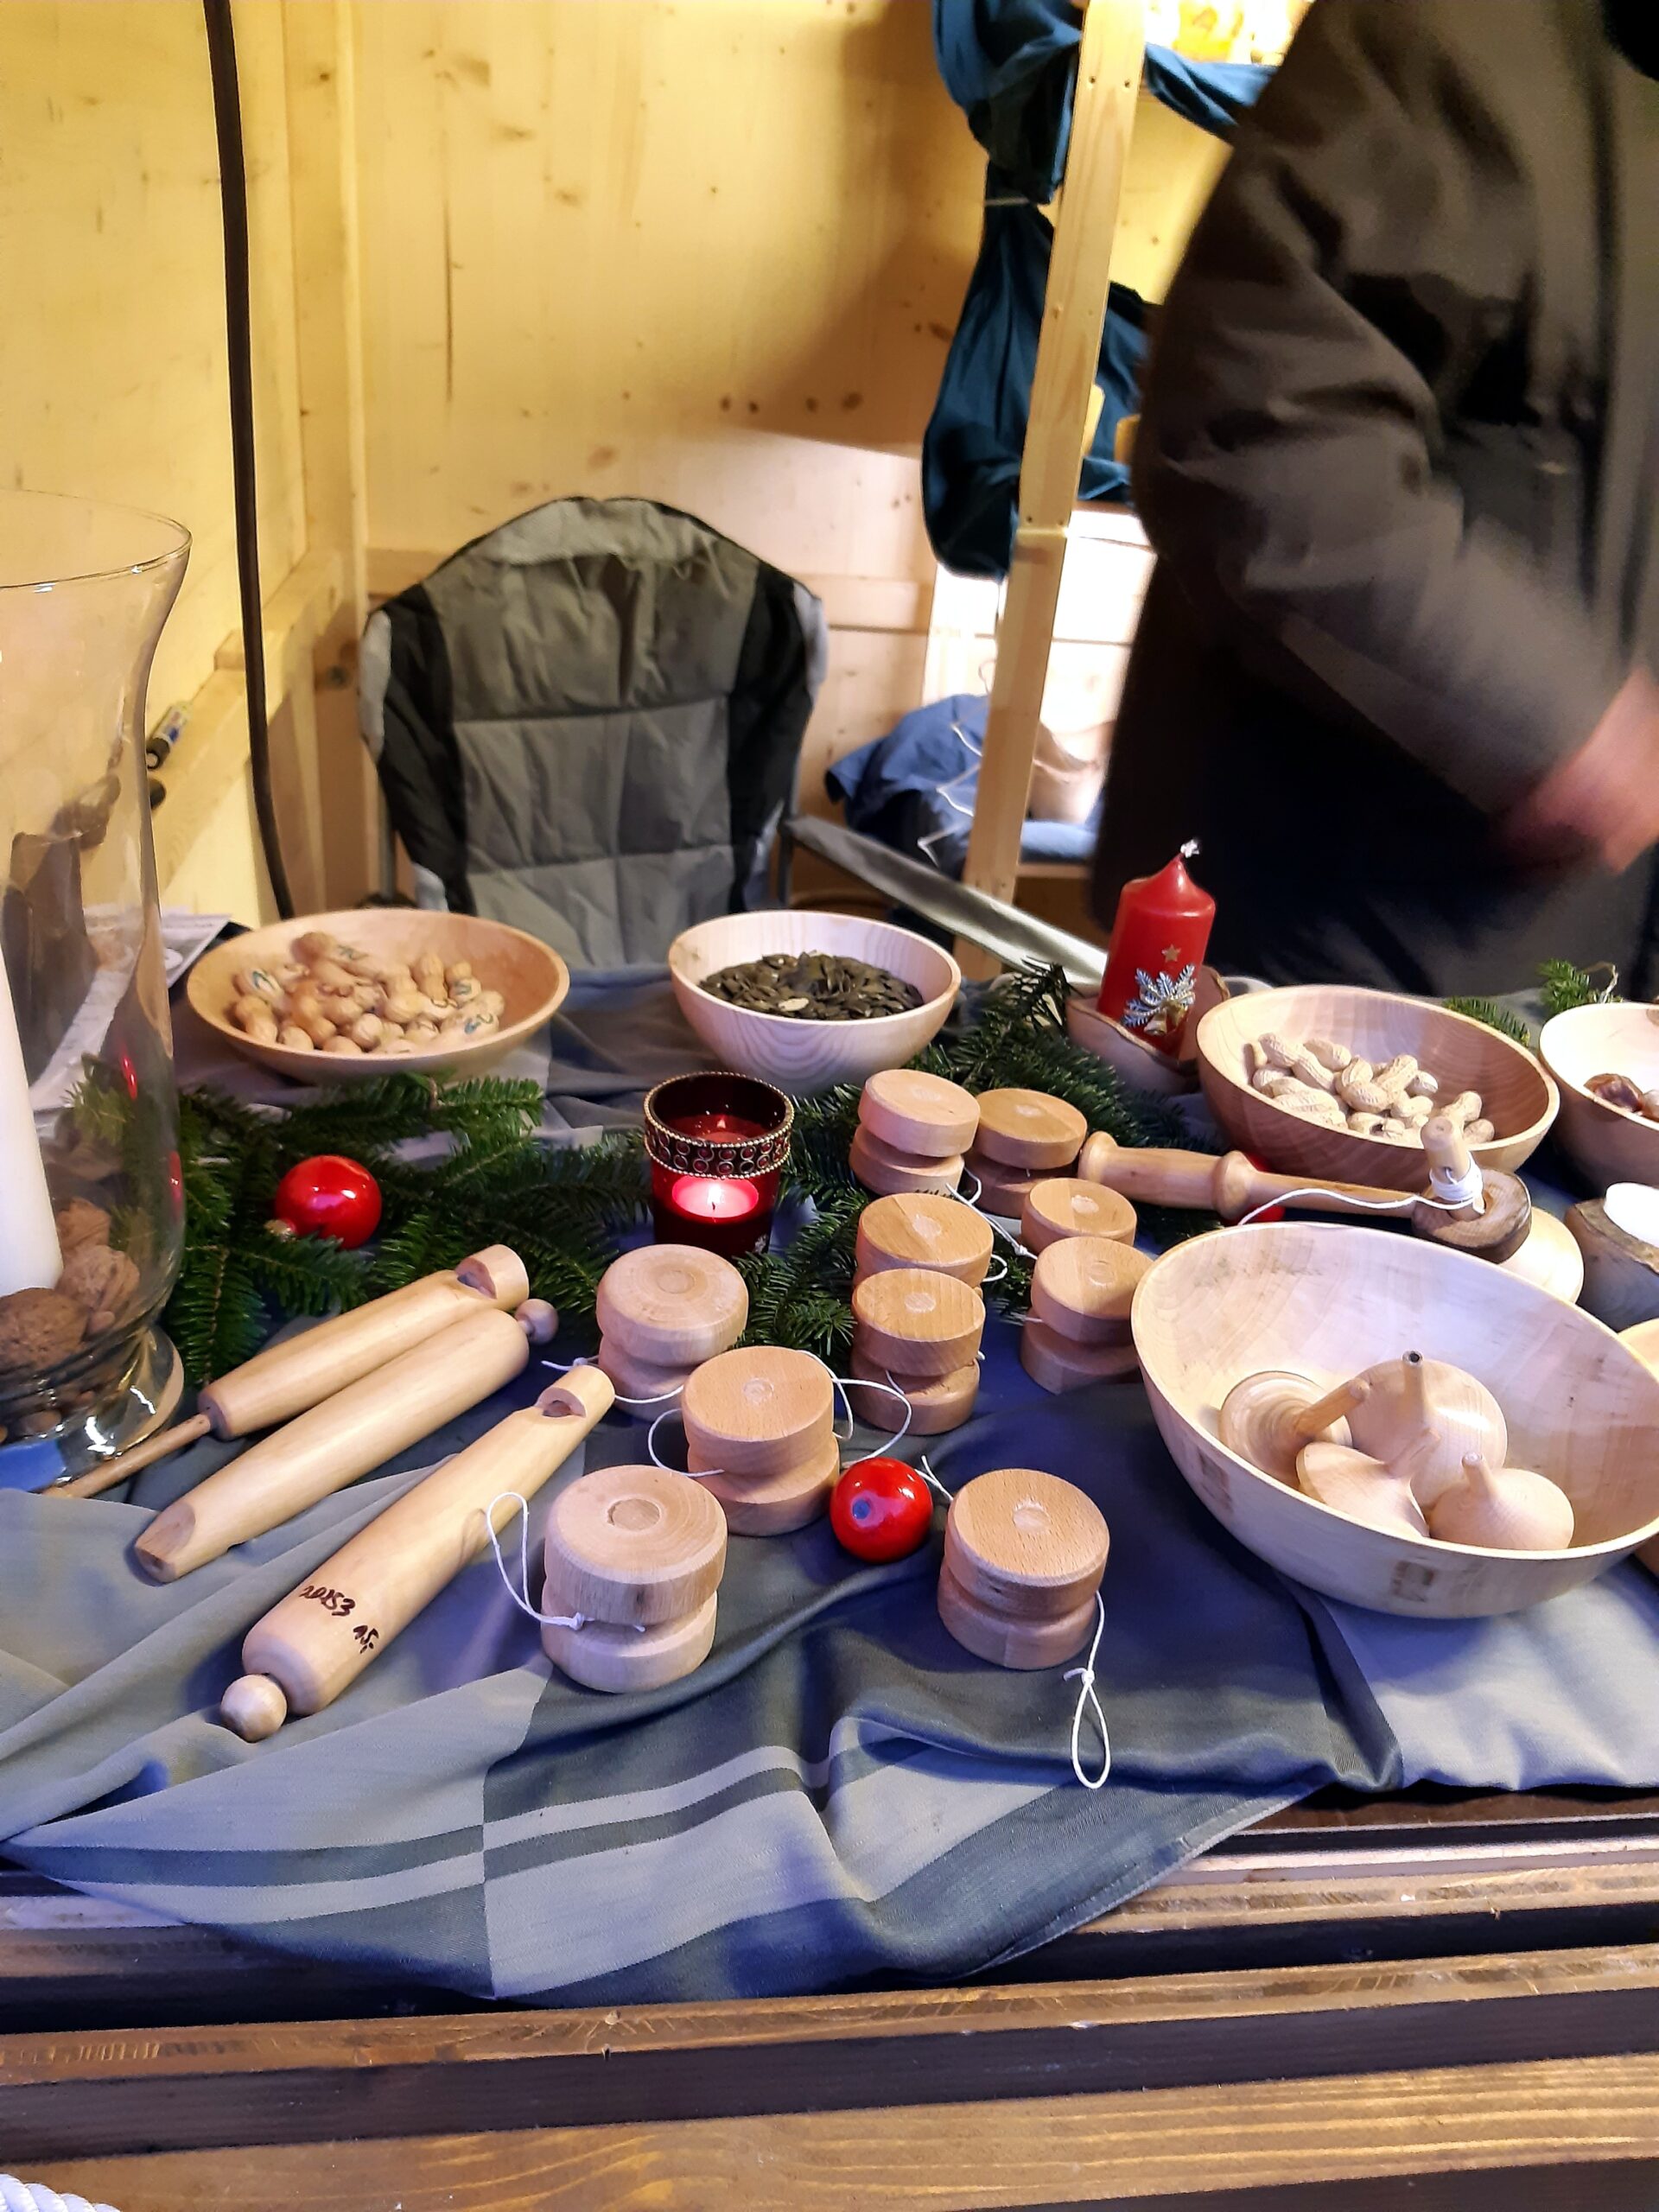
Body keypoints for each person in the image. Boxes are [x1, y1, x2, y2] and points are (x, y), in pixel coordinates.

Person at [1092, 0, 1659, 996]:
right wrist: (1556, 720)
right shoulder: (1460, 30)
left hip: (1591, 960)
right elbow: (1257, 426)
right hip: (1334, 934)